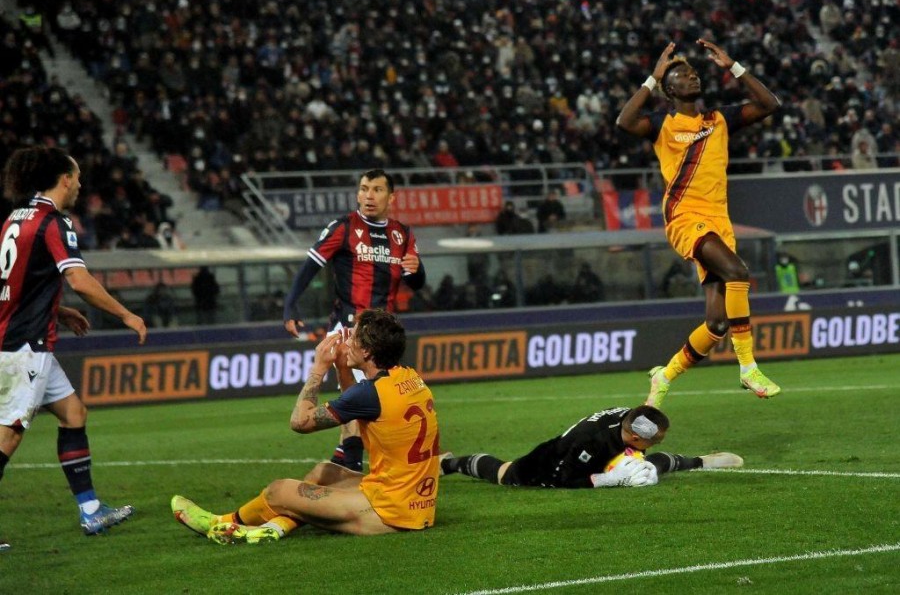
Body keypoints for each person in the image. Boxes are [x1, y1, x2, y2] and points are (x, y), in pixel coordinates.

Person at [171, 308, 440, 544]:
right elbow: (359, 406)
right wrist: (342, 368)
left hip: (389, 512)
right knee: (323, 472)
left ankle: (221, 522)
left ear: (367, 351)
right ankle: (272, 528)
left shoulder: (370, 394)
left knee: (279, 491)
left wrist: (318, 368)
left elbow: (299, 422)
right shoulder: (407, 376)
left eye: (353, 336)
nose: (347, 339)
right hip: (416, 502)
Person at [616, 39, 782, 406]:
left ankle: (665, 375)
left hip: (719, 221)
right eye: (682, 75)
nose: (692, 76)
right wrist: (651, 77)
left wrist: (733, 66)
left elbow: (769, 104)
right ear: (670, 89)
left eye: (694, 72)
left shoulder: (719, 119)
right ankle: (748, 367)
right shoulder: (662, 125)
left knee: (717, 324)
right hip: (684, 216)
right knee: (738, 272)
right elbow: (625, 121)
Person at [0, 146, 147, 549]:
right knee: (8, 437)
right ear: (64, 179)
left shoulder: (16, 217)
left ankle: (90, 510)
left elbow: (14, 282)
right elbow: (80, 280)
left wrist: (57, 308)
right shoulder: (53, 221)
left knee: (73, 413)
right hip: (23, 346)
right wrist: (126, 315)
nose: (80, 184)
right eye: (77, 177)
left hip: (26, 338)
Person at [282, 169, 426, 473]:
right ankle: (353, 468)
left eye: (376, 189)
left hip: (385, 332)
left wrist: (418, 269)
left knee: (371, 399)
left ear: (391, 197)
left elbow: (416, 282)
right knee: (360, 397)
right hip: (351, 329)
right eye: (363, 189)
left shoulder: (402, 234)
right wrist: (290, 304)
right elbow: (310, 266)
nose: (369, 196)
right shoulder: (343, 228)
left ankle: (344, 459)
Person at [440, 406, 742, 489]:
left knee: (647, 467)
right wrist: (608, 480)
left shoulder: (632, 419)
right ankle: (449, 464)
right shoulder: (592, 441)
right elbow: (565, 480)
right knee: (505, 473)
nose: (658, 441)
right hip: (550, 463)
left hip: (603, 454)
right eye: (655, 440)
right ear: (637, 438)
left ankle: (701, 461)